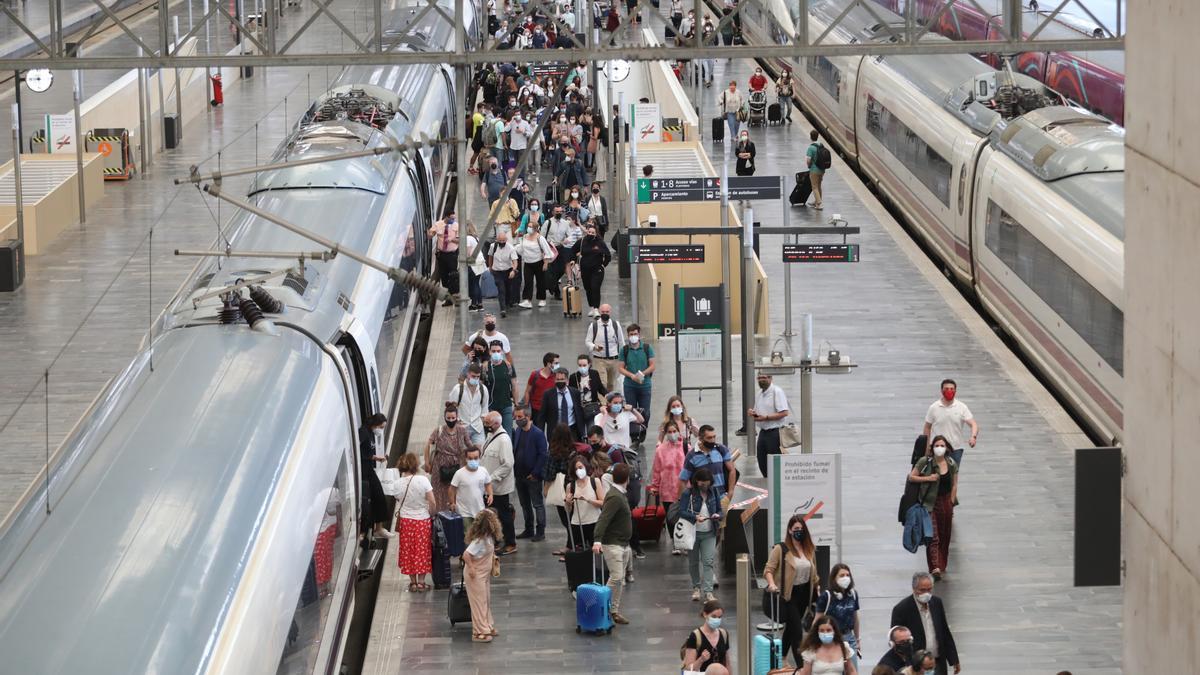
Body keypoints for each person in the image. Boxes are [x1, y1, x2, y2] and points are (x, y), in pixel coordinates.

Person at [764, 514, 821, 667]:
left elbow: (814, 575)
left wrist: (818, 590)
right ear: (789, 530)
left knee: (791, 628)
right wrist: (771, 584)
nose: (799, 531)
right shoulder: (780, 549)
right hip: (787, 596)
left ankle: (782, 657)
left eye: (802, 529)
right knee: (797, 632)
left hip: (804, 596)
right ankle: (802, 668)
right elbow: (768, 570)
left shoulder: (809, 549)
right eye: (796, 529)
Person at [889, 572, 960, 674]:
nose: (926, 593)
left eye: (929, 589)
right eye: (922, 590)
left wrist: (954, 659)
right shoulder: (901, 609)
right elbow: (898, 643)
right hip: (917, 666)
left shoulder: (937, 603)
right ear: (914, 589)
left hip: (937, 662)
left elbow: (944, 632)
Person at [908, 435, 958, 579]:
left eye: (942, 446)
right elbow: (912, 477)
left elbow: (954, 484)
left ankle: (942, 564)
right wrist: (928, 478)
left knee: (945, 534)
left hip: (945, 502)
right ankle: (934, 567)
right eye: (937, 445)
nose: (939, 448)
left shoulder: (951, 463)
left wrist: (951, 501)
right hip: (929, 503)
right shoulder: (925, 462)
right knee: (933, 535)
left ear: (947, 448)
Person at [591, 463, 634, 625]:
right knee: (616, 577)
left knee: (619, 578)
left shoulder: (619, 494)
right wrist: (597, 539)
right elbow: (604, 518)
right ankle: (600, 604)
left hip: (622, 544)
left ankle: (613, 610)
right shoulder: (615, 496)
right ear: (627, 479)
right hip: (613, 544)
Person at [393, 452, 437, 591]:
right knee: (422, 550)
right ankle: (421, 582)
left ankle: (412, 582)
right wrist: (432, 513)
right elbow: (432, 501)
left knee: (408, 550)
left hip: (406, 521)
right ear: (415, 465)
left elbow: (398, 500)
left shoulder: (397, 484)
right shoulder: (423, 480)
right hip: (422, 520)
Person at [679, 468, 723, 602]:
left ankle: (708, 591)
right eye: (701, 483)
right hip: (692, 533)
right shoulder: (688, 493)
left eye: (706, 483)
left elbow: (720, 510)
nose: (703, 485)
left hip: (710, 532)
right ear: (696, 481)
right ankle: (696, 588)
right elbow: (681, 512)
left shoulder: (714, 491)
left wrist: (718, 515)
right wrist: (695, 517)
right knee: (693, 562)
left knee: (708, 562)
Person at [425, 402, 475, 511]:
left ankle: (456, 517)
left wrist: (474, 458)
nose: (451, 420)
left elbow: (470, 445)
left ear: (457, 417)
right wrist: (427, 463)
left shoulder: (462, 430)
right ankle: (439, 518)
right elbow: (428, 445)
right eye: (448, 418)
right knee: (439, 493)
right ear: (444, 417)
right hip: (439, 467)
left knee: (457, 491)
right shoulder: (438, 430)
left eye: (453, 418)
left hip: (458, 465)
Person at [479, 412, 517, 555]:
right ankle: (497, 540)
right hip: (489, 487)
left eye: (488, 423)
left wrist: (491, 477)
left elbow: (508, 464)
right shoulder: (490, 436)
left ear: (497, 423)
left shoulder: (504, 440)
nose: (486, 425)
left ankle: (510, 543)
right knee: (493, 515)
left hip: (499, 486)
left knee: (504, 515)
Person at [814, 563, 863, 670]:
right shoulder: (826, 596)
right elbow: (817, 620)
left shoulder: (853, 594)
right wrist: (813, 642)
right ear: (834, 578)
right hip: (832, 639)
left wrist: (858, 639)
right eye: (841, 575)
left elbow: (855, 618)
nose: (845, 578)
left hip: (849, 638)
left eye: (847, 575)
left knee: (853, 670)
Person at [462, 508, 501, 643]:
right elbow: (466, 555)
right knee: (479, 602)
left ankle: (487, 625)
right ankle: (479, 631)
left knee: (485, 600)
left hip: (483, 575)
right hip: (475, 575)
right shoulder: (479, 541)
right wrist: (472, 568)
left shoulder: (488, 538)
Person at [648, 418, 686, 554]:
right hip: (667, 489)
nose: (672, 434)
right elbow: (657, 470)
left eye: (674, 431)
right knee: (671, 517)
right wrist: (655, 486)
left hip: (684, 489)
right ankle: (675, 543)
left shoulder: (686, 447)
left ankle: (685, 541)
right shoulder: (661, 450)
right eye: (669, 432)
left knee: (685, 515)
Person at [511, 405, 549, 542]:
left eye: (520, 417)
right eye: (515, 417)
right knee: (524, 504)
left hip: (532, 476)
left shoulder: (538, 434)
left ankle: (540, 530)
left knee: (537, 504)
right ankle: (528, 529)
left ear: (528, 417)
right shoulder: (519, 431)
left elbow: (543, 455)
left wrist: (535, 472)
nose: (517, 420)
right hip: (519, 475)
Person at [921, 379, 977, 466]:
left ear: (955, 390)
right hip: (938, 447)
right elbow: (927, 427)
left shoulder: (961, 407)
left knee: (953, 473)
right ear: (941, 390)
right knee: (937, 473)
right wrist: (927, 445)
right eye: (946, 389)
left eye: (952, 389)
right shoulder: (934, 407)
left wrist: (973, 437)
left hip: (956, 448)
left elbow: (973, 424)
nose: (949, 391)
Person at [678, 425, 738, 500]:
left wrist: (730, 493)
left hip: (721, 497)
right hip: (700, 499)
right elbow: (683, 480)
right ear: (700, 438)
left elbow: (732, 470)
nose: (713, 440)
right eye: (709, 438)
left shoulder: (721, 449)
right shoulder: (691, 456)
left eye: (714, 437)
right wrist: (681, 501)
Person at [359, 413, 394, 539]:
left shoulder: (371, 434)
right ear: (375, 424)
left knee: (379, 495)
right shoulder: (363, 432)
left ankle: (378, 528)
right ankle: (362, 533)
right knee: (365, 501)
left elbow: (367, 452)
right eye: (381, 427)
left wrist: (378, 458)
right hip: (362, 471)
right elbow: (357, 450)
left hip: (369, 469)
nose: (382, 430)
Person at [750, 372, 790, 476]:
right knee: (762, 460)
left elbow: (784, 412)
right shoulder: (759, 393)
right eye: (759, 378)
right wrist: (753, 414)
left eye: (763, 377)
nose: (761, 380)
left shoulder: (777, 392)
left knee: (774, 463)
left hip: (775, 432)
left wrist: (766, 417)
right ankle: (767, 482)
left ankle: (777, 485)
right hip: (763, 432)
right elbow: (758, 411)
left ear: (770, 378)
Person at [564, 454, 605, 552]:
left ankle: (597, 567)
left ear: (586, 467)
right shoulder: (570, 486)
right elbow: (567, 510)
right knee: (577, 551)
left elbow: (603, 502)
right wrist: (568, 502)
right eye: (576, 468)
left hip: (594, 521)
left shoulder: (595, 482)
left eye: (580, 467)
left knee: (597, 550)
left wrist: (588, 500)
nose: (579, 470)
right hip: (577, 523)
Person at [449, 445, 494, 533]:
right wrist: (452, 503)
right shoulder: (459, 473)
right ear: (466, 459)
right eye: (470, 458)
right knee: (468, 537)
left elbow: (488, 484)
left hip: (479, 510)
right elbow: (452, 489)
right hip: (464, 512)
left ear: (479, 458)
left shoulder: (483, 471)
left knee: (480, 535)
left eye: (476, 458)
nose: (473, 460)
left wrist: (490, 494)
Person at [615, 323, 656, 414]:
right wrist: (632, 376)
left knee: (645, 412)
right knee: (630, 411)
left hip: (645, 385)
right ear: (628, 335)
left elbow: (652, 366)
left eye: (635, 334)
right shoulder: (624, 350)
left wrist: (641, 374)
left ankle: (643, 428)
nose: (633, 336)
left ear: (639, 335)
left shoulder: (647, 348)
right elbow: (620, 368)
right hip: (629, 386)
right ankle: (634, 428)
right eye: (631, 334)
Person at [681, 599, 731, 673]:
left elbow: (727, 663)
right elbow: (688, 668)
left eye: (719, 617)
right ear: (705, 614)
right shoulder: (695, 636)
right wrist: (701, 659)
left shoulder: (724, 634)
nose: (717, 620)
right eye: (714, 616)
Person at [448, 365, 491, 446]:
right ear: (467, 374)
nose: (475, 379)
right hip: (462, 427)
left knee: (480, 453)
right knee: (462, 455)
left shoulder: (483, 389)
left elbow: (485, 409)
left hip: (477, 428)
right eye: (473, 376)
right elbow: (450, 408)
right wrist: (456, 421)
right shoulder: (457, 389)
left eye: (478, 377)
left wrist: (481, 421)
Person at [585, 304, 625, 390]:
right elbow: (588, 341)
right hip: (599, 360)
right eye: (603, 312)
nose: (605, 313)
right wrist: (594, 347)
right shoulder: (594, 326)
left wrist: (624, 358)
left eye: (607, 312)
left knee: (611, 384)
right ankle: (602, 403)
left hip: (614, 359)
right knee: (602, 383)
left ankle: (609, 401)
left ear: (610, 312)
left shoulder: (616, 325)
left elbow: (621, 342)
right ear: (599, 312)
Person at [514, 220, 553, 308]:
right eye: (528, 226)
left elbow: (547, 251)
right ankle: (527, 300)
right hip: (527, 263)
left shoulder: (540, 238)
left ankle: (542, 299)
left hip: (539, 263)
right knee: (528, 282)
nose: (529, 228)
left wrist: (545, 263)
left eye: (531, 227)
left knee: (540, 282)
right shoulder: (524, 237)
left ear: (535, 229)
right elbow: (521, 248)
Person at [576, 222, 611, 317]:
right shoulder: (582, 241)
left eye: (593, 233)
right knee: (588, 288)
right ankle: (591, 307)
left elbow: (608, 255)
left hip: (597, 270)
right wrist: (572, 261)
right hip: (585, 269)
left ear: (596, 234)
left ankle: (596, 308)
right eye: (589, 232)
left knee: (595, 287)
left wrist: (603, 265)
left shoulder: (600, 243)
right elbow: (573, 251)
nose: (590, 234)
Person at [541, 367, 587, 439]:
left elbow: (579, 413)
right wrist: (541, 435)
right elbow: (542, 416)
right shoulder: (548, 394)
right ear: (554, 380)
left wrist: (582, 432)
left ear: (567, 380)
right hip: (555, 431)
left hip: (572, 430)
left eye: (562, 379)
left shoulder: (575, 393)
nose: (560, 381)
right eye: (557, 379)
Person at [484, 341, 519, 435]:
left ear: (502, 352)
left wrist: (516, 405)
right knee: (491, 434)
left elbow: (514, 385)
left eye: (498, 351)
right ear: (489, 352)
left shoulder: (508, 366)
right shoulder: (485, 367)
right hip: (490, 407)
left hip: (506, 406)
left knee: (507, 435)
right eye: (493, 351)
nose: (496, 353)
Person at [429, 210, 460, 306]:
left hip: (452, 254)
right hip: (442, 254)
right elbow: (431, 234)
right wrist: (430, 233)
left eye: (454, 218)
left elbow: (460, 239)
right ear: (446, 217)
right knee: (444, 276)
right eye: (451, 218)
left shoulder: (456, 226)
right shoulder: (438, 224)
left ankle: (456, 297)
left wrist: (452, 239)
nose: (453, 220)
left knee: (453, 276)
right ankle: (448, 298)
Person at [486, 231, 520, 318]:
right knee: (501, 289)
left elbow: (515, 261)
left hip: (507, 271)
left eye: (503, 240)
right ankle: (503, 309)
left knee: (508, 289)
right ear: (497, 240)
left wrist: (513, 270)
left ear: (506, 240)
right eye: (500, 240)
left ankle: (507, 303)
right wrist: (490, 267)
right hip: (497, 271)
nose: (501, 242)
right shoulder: (493, 246)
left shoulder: (510, 248)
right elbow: (490, 256)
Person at [523, 352, 559, 426]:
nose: (558, 365)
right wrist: (526, 408)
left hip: (551, 410)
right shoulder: (535, 375)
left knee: (552, 433)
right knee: (538, 432)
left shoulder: (557, 376)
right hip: (537, 410)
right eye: (556, 363)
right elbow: (527, 392)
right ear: (549, 364)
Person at [569, 353, 608, 421]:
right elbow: (571, 394)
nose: (582, 368)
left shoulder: (594, 374)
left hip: (592, 406)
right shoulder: (573, 377)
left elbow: (600, 388)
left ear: (589, 365)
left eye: (584, 365)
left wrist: (608, 395)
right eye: (580, 365)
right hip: (580, 407)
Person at [806, 130, 826, 210]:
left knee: (814, 187)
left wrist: (809, 166)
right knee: (819, 186)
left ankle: (819, 204)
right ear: (817, 136)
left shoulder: (811, 148)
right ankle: (817, 201)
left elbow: (808, 160)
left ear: (810, 137)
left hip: (814, 170)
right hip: (822, 169)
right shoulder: (821, 145)